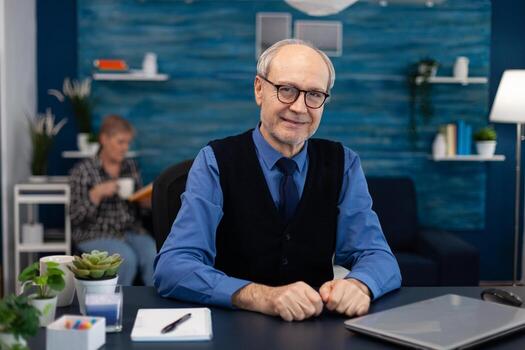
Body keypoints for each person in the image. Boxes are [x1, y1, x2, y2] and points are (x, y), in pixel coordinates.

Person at [154, 39, 401, 321]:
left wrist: (360, 285)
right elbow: (173, 267)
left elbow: (379, 256)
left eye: (315, 95)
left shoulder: (344, 163)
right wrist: (262, 296)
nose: (299, 107)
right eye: (286, 90)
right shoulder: (214, 161)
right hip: (232, 327)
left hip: (314, 330)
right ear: (259, 89)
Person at [69, 115, 157, 286]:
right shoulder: (83, 171)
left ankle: (152, 307)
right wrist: (95, 195)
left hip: (131, 230)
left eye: (128, 143)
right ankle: (117, 306)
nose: (125, 148)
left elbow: (138, 207)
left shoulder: (130, 166)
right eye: (120, 142)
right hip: (95, 233)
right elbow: (75, 217)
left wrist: (145, 203)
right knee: (126, 260)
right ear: (104, 139)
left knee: (153, 256)